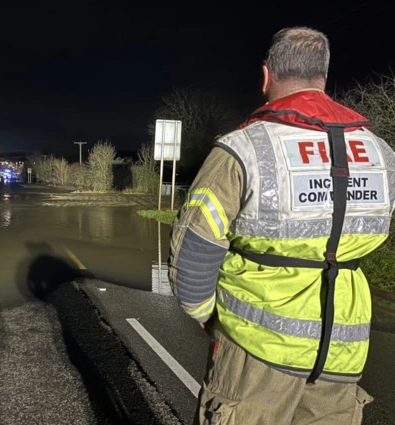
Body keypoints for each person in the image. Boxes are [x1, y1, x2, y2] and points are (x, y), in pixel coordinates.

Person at [168, 27, 395, 425]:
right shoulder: (381, 153)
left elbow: (195, 247)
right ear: (323, 77)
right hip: (343, 351)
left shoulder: (244, 149)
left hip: (255, 351)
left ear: (266, 77)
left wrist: (208, 316)